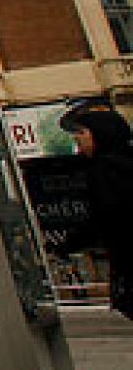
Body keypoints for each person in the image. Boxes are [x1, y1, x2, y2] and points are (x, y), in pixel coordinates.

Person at [53, 101, 133, 318]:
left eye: (82, 133)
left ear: (99, 134)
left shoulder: (106, 169)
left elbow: (105, 215)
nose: (77, 139)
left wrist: (65, 245)